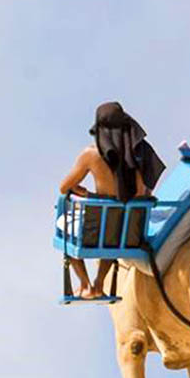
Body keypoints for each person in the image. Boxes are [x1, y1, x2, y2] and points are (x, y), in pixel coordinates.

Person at [58, 101, 165, 299]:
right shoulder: (140, 152)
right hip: (130, 231)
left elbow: (64, 187)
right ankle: (99, 284)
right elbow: (146, 189)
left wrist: (83, 191)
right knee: (114, 231)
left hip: (97, 228)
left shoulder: (90, 154)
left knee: (64, 226)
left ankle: (85, 285)